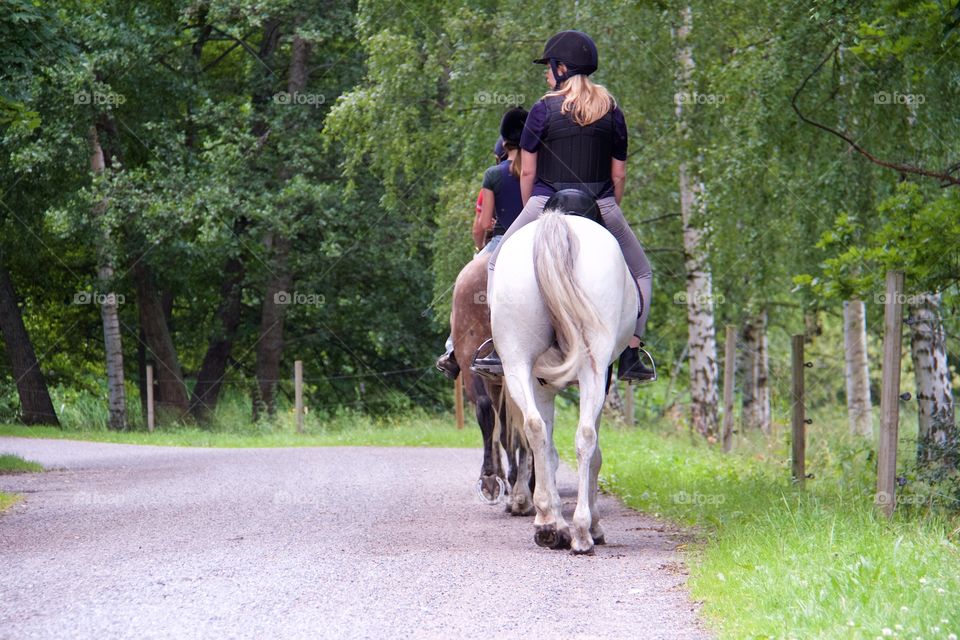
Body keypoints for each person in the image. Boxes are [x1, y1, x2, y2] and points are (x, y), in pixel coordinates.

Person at [472, 30, 655, 383]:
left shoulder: (542, 109)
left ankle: (498, 345)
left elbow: (527, 170)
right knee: (643, 271)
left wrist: (533, 210)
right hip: (599, 203)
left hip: (544, 201)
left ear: (562, 68)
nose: (546, 74)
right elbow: (618, 175)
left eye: (548, 67)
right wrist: (606, 210)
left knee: (496, 261)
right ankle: (632, 351)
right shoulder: (612, 110)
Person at [435, 108, 529, 380]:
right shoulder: (536, 173)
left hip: (500, 241)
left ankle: (452, 351)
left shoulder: (493, 175)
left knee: (465, 283)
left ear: (504, 143)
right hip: (532, 240)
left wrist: (479, 247)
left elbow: (483, 223)